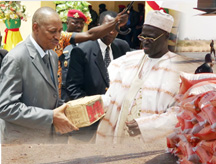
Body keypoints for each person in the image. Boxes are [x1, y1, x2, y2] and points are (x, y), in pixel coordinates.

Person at [96, 10, 181, 143]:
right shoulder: (127, 61)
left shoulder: (178, 69)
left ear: (166, 36)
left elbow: (180, 114)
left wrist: (146, 126)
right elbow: (111, 97)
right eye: (142, 37)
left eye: (150, 38)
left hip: (151, 143)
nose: (145, 42)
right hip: (119, 139)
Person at [0, 7, 78, 142]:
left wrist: (70, 109)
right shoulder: (16, 58)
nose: (58, 37)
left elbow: (50, 97)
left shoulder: (52, 55)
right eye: (53, 31)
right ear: (36, 28)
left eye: (60, 31)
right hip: (21, 142)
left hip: (47, 141)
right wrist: (50, 117)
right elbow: (6, 107)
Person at [55, 9, 128, 100]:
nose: (111, 32)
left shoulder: (122, 47)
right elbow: (73, 88)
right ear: (99, 27)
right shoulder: (81, 50)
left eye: (115, 28)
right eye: (107, 28)